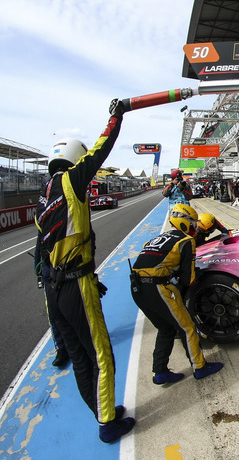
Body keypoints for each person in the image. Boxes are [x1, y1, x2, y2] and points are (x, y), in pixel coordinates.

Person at [34, 100, 135, 443]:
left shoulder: (42, 197)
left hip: (53, 288)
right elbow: (101, 148)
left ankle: (100, 409)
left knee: (79, 358)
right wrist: (117, 115)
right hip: (77, 285)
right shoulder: (73, 180)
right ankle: (108, 423)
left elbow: (43, 250)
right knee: (102, 354)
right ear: (75, 158)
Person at [130, 204, 224, 385]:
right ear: (185, 223)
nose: (194, 228)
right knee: (187, 328)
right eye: (192, 223)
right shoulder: (186, 241)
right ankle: (200, 367)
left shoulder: (156, 239)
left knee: (166, 328)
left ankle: (160, 372)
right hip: (158, 288)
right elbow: (188, 279)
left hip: (137, 289)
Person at [33, 238, 70, 368]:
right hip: (48, 271)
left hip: (68, 266)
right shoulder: (42, 219)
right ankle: (61, 348)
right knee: (53, 314)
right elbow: (40, 240)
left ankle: (83, 340)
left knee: (74, 307)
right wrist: (38, 267)